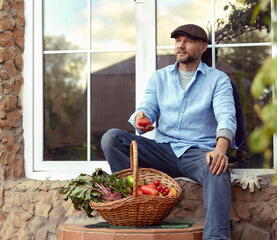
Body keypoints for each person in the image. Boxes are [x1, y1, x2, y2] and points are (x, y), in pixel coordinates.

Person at [101, 24, 236, 240]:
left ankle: (216, 238)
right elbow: (146, 109)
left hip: (197, 153)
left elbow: (226, 117)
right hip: (162, 150)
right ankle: (132, 206)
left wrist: (220, 150)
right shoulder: (159, 78)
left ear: (203, 47)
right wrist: (142, 120)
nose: (181, 46)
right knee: (112, 138)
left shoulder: (218, 80)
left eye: (188, 41)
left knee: (217, 169)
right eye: (177, 41)